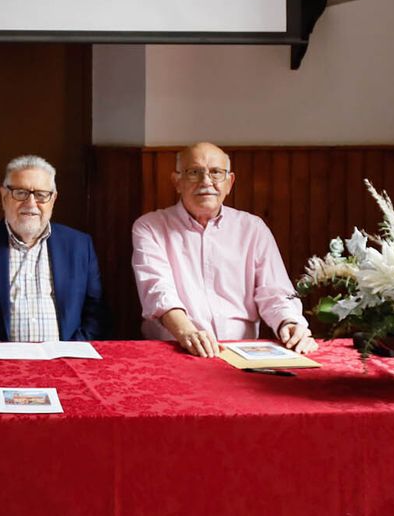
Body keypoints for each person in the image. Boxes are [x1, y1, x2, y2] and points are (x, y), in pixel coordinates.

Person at [131, 142, 317, 357]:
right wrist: (188, 333)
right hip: (175, 349)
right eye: (194, 173)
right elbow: (157, 290)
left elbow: (275, 291)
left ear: (229, 183)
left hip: (243, 352)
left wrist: (289, 322)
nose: (206, 181)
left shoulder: (252, 228)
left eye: (216, 173)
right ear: (177, 182)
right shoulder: (150, 226)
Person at [0, 154, 106, 342]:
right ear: (3, 196)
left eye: (41, 195)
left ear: (53, 199)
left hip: (64, 362)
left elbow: (96, 315)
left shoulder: (79, 245)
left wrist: (70, 352)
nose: (31, 204)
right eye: (20, 193)